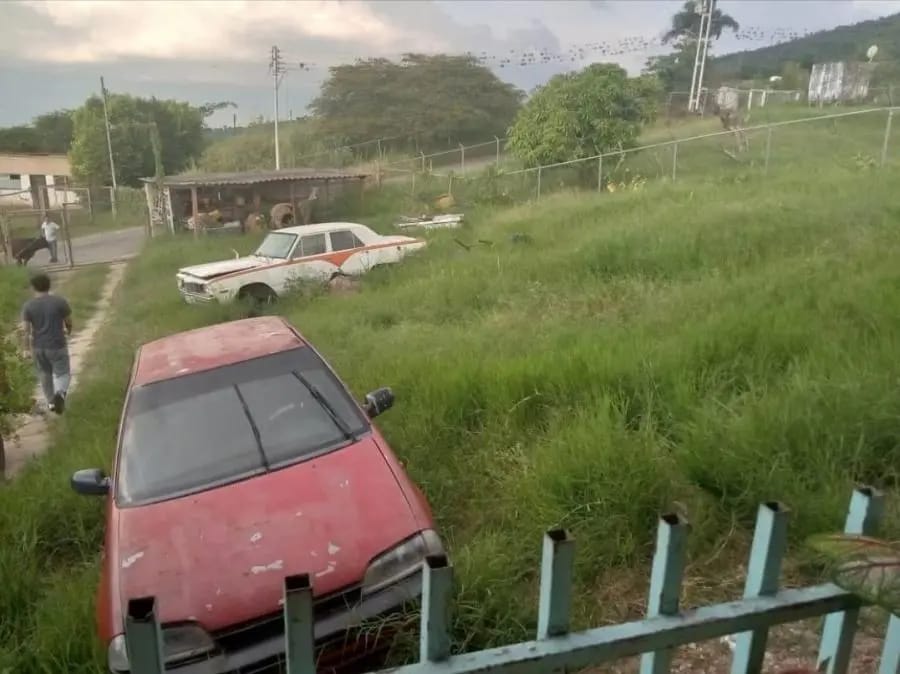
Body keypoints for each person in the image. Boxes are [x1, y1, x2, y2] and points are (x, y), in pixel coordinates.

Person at [20, 272, 72, 414]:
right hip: (57, 344)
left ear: (33, 288)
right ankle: (60, 393)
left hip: (38, 346)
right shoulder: (59, 301)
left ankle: (51, 403)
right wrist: (69, 330)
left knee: (44, 374)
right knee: (63, 373)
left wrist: (26, 349)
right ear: (49, 286)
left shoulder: (28, 306)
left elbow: (25, 330)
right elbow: (68, 321)